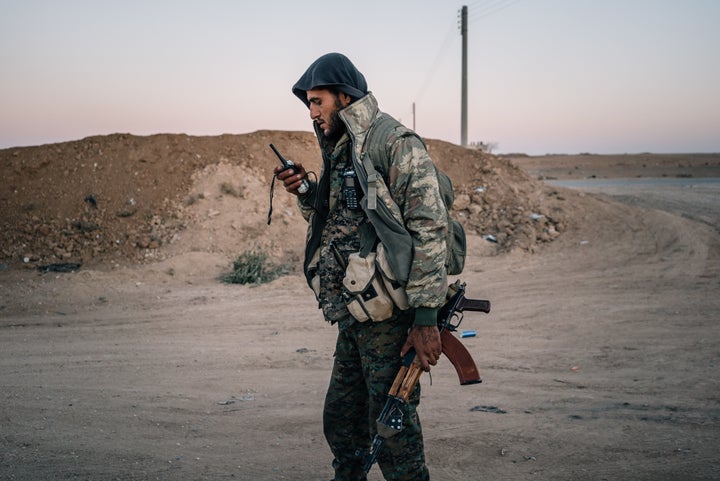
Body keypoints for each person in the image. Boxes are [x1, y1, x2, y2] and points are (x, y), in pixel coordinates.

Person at [275, 52, 449, 481]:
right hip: (353, 313)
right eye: (309, 104)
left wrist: (426, 318)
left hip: (390, 317)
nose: (312, 113)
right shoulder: (341, 147)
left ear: (344, 96)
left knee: (393, 427)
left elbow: (430, 228)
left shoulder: (392, 142)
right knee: (341, 420)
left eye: (318, 102)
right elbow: (337, 219)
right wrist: (307, 191)